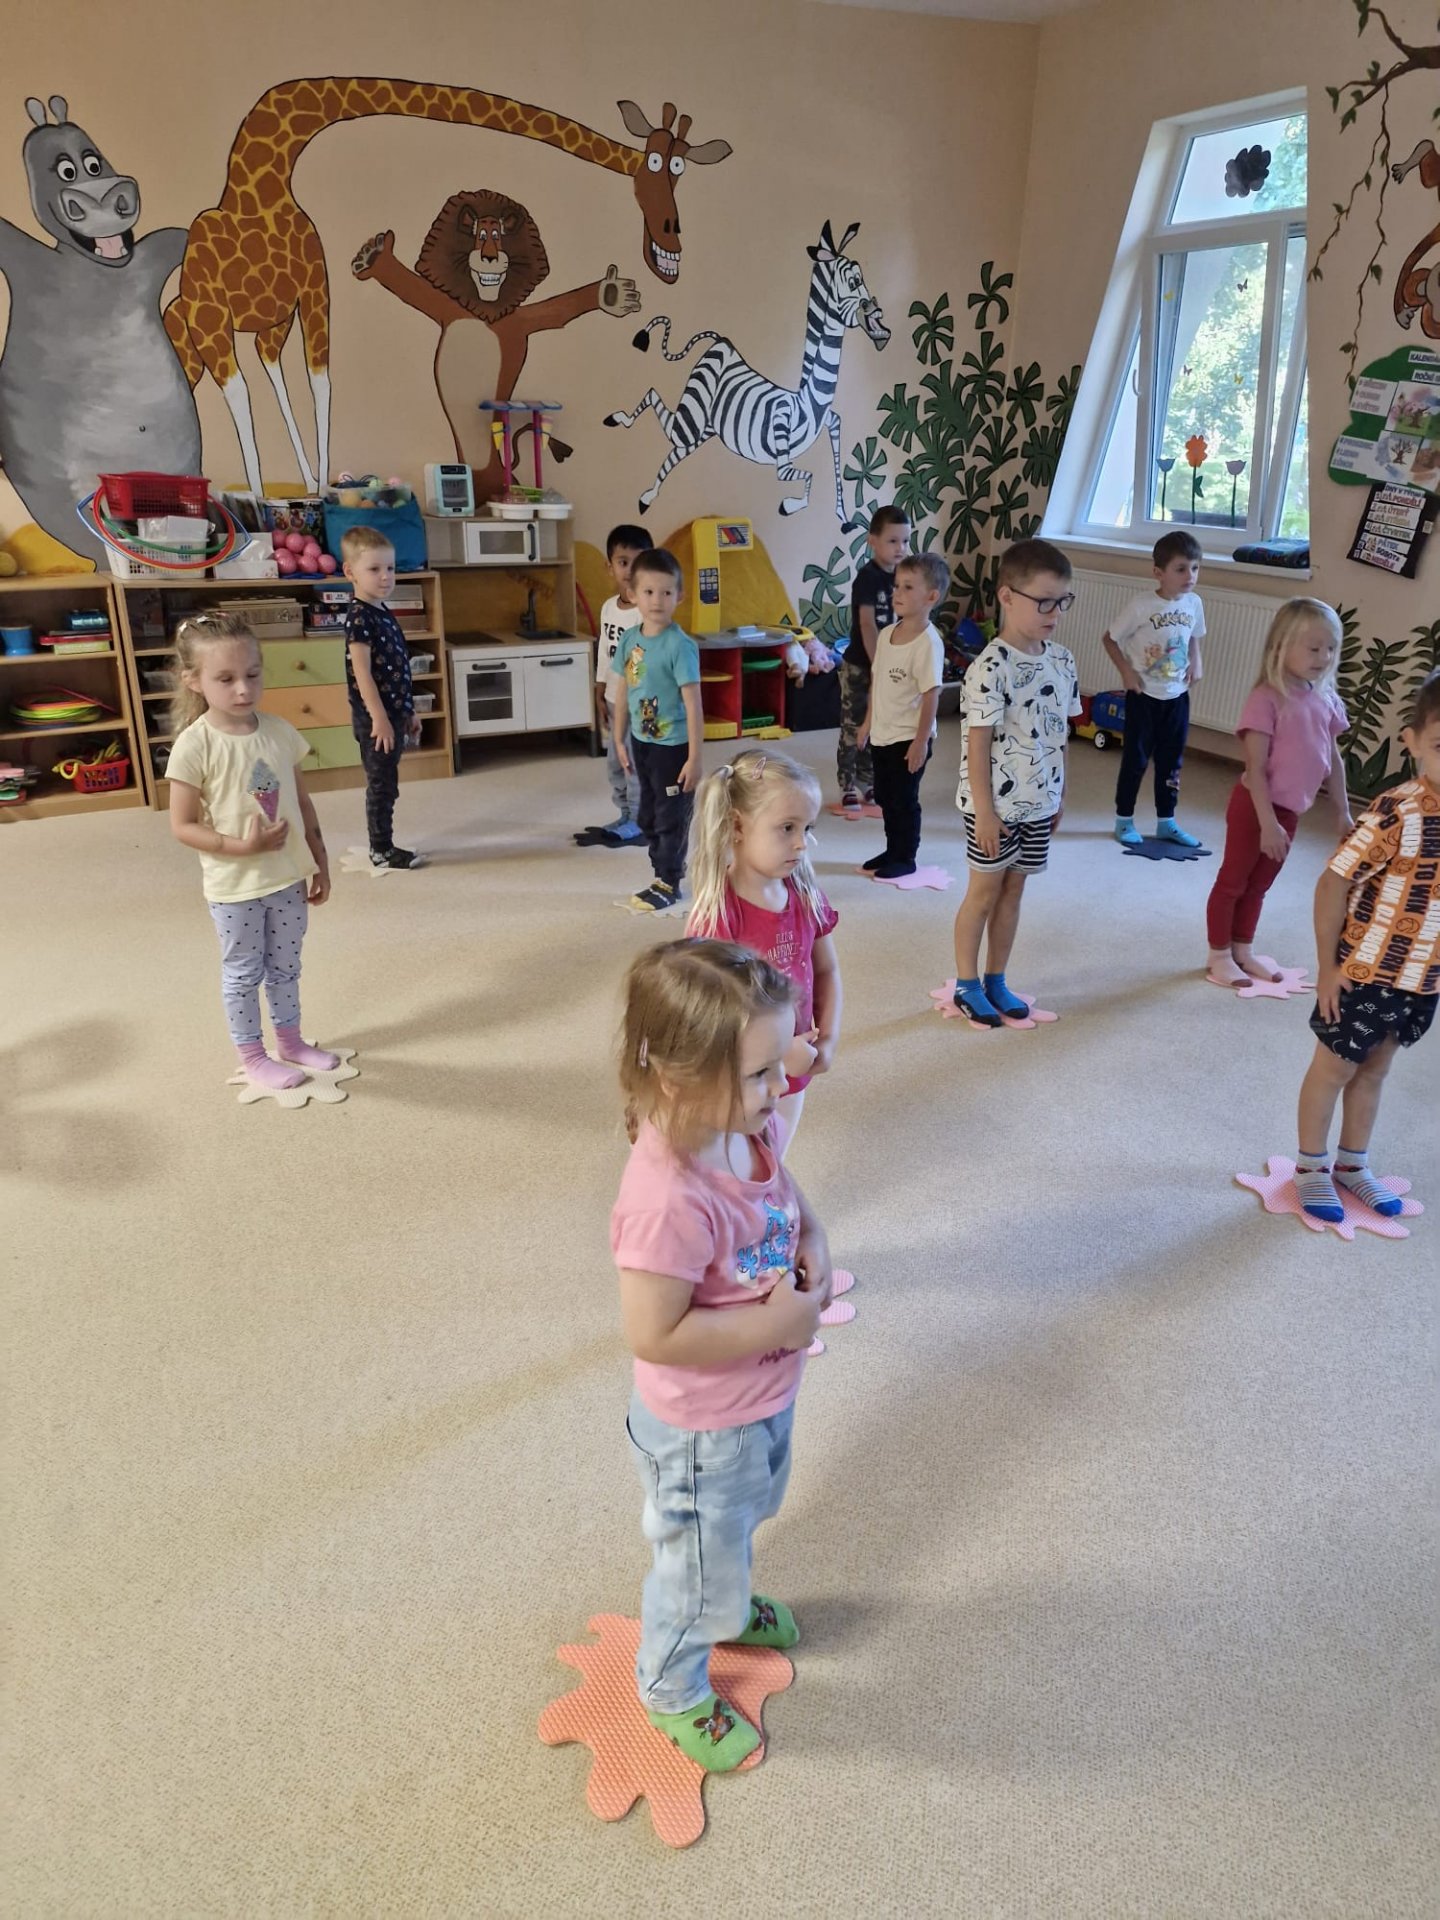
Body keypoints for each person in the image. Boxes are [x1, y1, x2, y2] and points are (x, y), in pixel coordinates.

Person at [612, 939, 832, 1770]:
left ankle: (729, 1603)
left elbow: (784, 1194)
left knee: (742, 1523)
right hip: (702, 1432)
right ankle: (672, 1689)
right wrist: (778, 1327)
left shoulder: (744, 1124)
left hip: (761, 1398)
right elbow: (654, 1333)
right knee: (695, 1577)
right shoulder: (665, 1199)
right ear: (678, 1078)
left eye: (780, 1064)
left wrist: (813, 1239)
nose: (782, 1087)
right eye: (761, 1073)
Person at [166, 612, 339, 1090]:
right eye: (226, 679)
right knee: (243, 973)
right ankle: (254, 1056)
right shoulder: (194, 746)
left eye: (253, 675)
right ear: (194, 680)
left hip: (287, 876)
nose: (243, 689)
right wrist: (241, 846)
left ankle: (291, 1042)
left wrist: (320, 862)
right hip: (235, 887)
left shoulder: (280, 731)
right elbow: (182, 825)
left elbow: (301, 802)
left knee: (286, 967)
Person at [1293, 669, 1440, 1223]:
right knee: (1334, 1069)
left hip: (1421, 979)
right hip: (1365, 972)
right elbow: (1333, 881)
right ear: (1413, 742)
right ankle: (1310, 1167)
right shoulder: (1397, 812)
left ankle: (1352, 1165)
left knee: (1375, 1070)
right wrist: (1327, 967)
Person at [951, 538, 1081, 1028]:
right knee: (984, 893)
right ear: (1007, 596)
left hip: (1039, 804)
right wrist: (985, 812)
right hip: (994, 809)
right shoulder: (989, 667)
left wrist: (1059, 794)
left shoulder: (1063, 661)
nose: (1055, 613)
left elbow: (1061, 734)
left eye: (1062, 601)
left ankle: (996, 978)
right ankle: (967, 984)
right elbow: (977, 745)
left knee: (1014, 893)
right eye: (1044, 601)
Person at [687, 749, 842, 1154]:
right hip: (740, 1080)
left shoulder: (804, 895)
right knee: (738, 1165)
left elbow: (826, 970)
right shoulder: (718, 916)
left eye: (807, 828)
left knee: (774, 1159)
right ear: (737, 825)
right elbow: (710, 1016)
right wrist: (778, 1053)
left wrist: (828, 1038)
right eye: (787, 828)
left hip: (794, 1070)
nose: (802, 844)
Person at [1205, 600, 1353, 986]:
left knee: (1259, 885)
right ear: (1280, 647)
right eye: (1314, 648)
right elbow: (1255, 768)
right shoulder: (1267, 698)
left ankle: (1242, 949)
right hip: (1254, 808)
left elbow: (1333, 758)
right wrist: (1268, 824)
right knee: (1234, 881)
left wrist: (1342, 810)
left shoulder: (1326, 697)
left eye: (1331, 648)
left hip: (1289, 811)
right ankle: (1219, 955)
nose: (1324, 657)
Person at [1102, 529, 1205, 848]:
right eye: (1181, 569)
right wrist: (1126, 672)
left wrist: (1196, 659)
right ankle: (1124, 820)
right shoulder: (1142, 605)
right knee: (1136, 761)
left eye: (1195, 568)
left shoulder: (1194, 603)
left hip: (1177, 697)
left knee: (1172, 763)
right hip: (1143, 696)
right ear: (1159, 573)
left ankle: (1166, 821)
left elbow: (1194, 635)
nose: (1190, 576)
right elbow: (1109, 639)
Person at [614, 548, 703, 913]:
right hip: (642, 742)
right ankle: (661, 871)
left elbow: (694, 705)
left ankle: (669, 880)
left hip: (673, 748)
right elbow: (624, 691)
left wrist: (695, 758)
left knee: (670, 816)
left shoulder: (680, 647)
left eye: (666, 592)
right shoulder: (629, 640)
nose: (657, 601)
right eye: (649, 592)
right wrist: (618, 739)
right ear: (633, 594)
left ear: (679, 596)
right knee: (646, 816)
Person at [857, 550, 949, 879]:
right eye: (896, 585)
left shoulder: (928, 644)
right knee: (884, 795)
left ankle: (905, 856)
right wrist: (867, 722)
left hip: (909, 738)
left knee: (903, 799)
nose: (897, 592)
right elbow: (878, 682)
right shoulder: (886, 635)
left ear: (931, 597)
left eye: (908, 587)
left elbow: (931, 695)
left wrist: (921, 742)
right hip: (883, 733)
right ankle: (892, 849)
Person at [342, 525, 422, 870]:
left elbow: (398, 667)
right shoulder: (360, 617)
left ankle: (383, 844)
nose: (386, 576)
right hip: (376, 718)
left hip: (394, 712)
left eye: (390, 568)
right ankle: (381, 849)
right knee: (382, 784)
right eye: (374, 569)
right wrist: (379, 718)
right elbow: (362, 675)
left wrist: (409, 710)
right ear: (350, 572)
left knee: (388, 779)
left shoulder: (381, 611)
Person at [576, 523, 649, 847]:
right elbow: (605, 651)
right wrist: (599, 687)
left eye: (638, 562)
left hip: (638, 702)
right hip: (613, 699)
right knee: (615, 762)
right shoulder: (608, 608)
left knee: (634, 761)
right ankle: (625, 813)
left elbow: (642, 659)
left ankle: (639, 819)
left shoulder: (647, 611)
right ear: (610, 567)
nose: (630, 570)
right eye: (623, 562)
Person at [838, 505, 910, 810]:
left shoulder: (905, 578)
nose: (900, 548)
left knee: (878, 725)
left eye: (905, 541)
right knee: (854, 725)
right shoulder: (867, 579)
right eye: (892, 541)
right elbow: (867, 624)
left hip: (889, 666)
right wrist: (878, 663)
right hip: (860, 665)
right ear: (873, 541)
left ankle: (867, 781)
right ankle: (847, 783)